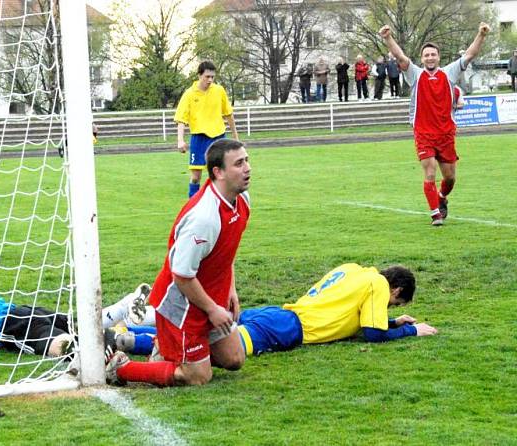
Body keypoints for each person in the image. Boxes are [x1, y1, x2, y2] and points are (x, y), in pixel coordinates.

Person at [105, 138, 251, 387]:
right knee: (198, 377)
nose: (247, 168)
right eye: (239, 163)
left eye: (247, 160)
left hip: (209, 295)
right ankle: (122, 368)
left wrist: (230, 289)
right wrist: (213, 310)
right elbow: (181, 276)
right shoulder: (204, 217)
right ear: (218, 172)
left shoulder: (242, 199)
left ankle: (165, 348)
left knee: (235, 359)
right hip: (182, 303)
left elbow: (227, 250)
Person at [109, 263, 437, 358]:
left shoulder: (356, 270)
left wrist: (393, 320)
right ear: (395, 290)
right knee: (212, 346)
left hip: (279, 313)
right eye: (394, 303)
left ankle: (128, 328)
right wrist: (409, 331)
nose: (388, 305)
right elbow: (372, 333)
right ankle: (135, 341)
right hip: (289, 329)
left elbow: (361, 320)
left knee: (210, 327)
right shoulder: (378, 285)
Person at [380, 22, 490, 225]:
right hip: (423, 133)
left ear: (438, 57)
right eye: (426, 55)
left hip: (446, 133)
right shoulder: (415, 74)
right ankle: (435, 215)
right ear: (422, 59)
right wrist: (388, 38)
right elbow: (401, 57)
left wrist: (480, 34)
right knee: (430, 171)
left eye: (433, 54)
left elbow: (469, 55)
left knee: (450, 178)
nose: (430, 58)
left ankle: (441, 197)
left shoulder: (449, 72)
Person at [175, 61, 240, 198]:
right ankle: (193, 206)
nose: (210, 80)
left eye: (212, 77)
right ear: (199, 75)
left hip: (218, 138)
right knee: (195, 177)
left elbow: (228, 114)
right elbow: (181, 119)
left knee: (221, 175)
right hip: (199, 138)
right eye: (207, 76)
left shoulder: (219, 91)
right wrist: (180, 140)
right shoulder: (189, 94)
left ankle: (222, 204)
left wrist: (235, 136)